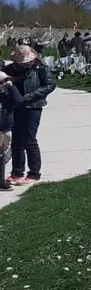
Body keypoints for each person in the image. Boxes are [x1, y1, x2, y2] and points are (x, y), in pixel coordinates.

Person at [5, 44, 56, 185]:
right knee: (16, 141)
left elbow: (49, 85)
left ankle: (34, 173)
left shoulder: (40, 68)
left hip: (33, 106)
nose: (22, 65)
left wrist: (31, 96)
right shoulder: (10, 69)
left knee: (29, 139)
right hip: (15, 106)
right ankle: (17, 172)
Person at [0, 71, 22, 191]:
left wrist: (11, 87)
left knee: (4, 157)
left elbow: (18, 101)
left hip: (6, 129)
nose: (4, 84)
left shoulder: (7, 95)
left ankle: (1, 182)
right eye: (2, 82)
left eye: (5, 82)